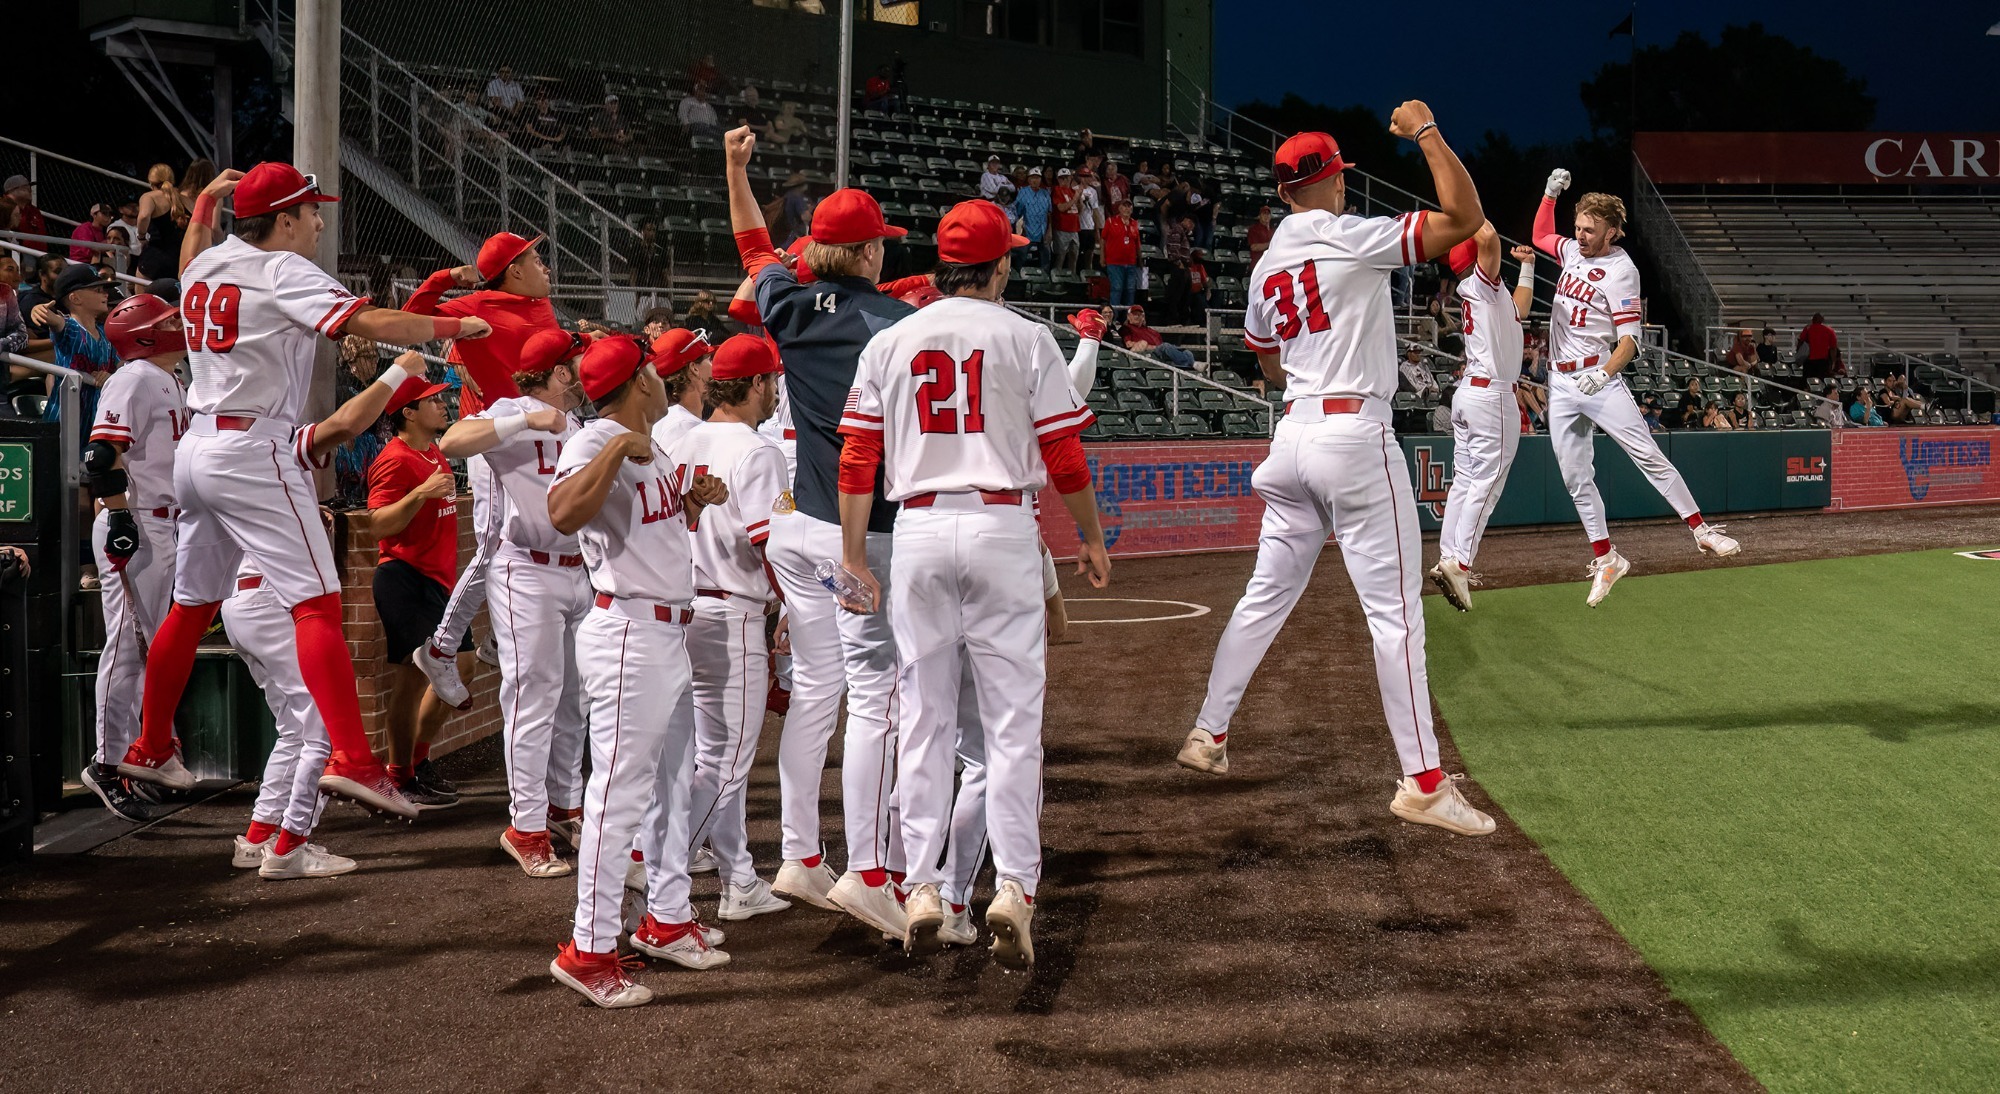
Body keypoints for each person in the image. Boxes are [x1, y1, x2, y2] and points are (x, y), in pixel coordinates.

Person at [123, 161, 491, 818]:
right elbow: (371, 325)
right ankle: (354, 759)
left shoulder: (210, 264)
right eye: (311, 210)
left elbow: (190, 254)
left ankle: (151, 745)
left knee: (189, 607)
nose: (320, 221)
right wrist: (457, 328)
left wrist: (206, 202)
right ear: (285, 218)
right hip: (253, 447)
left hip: (198, 444)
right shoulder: (281, 269)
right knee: (317, 604)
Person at [1176, 108, 1498, 842]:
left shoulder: (1267, 264)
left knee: (1264, 597)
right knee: (1395, 618)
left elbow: (1263, 360)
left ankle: (1208, 731)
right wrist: (1427, 135)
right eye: (1342, 175)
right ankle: (1423, 784)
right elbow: (1467, 217)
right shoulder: (1351, 236)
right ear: (1332, 179)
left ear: (1285, 192)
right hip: (1354, 435)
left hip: (1291, 435)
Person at [835, 199, 1108, 966]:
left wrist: (856, 557)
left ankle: (921, 884)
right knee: (1011, 724)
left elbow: (856, 459)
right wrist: (1087, 534)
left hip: (917, 528)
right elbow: (1063, 457)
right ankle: (1013, 885)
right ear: (999, 266)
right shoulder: (1026, 336)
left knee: (924, 715)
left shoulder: (891, 338)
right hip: (1000, 528)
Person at [721, 124, 916, 926]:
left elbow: (752, 248)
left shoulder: (790, 305)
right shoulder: (895, 325)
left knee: (819, 694)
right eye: (880, 246)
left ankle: (801, 854)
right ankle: (874, 868)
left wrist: (734, 169)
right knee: (880, 694)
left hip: (796, 527)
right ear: (868, 252)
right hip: (859, 533)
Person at [545, 335, 728, 1008]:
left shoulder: (648, 444)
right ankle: (587, 949)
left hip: (664, 633)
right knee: (616, 800)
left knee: (671, 786)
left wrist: (693, 506)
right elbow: (562, 514)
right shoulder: (596, 441)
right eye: (651, 367)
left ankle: (666, 918)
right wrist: (619, 447)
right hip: (629, 632)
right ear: (637, 382)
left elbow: (647, 528)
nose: (662, 374)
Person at [1531, 170, 1739, 606]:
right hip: (1562, 382)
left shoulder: (1622, 271)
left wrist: (1604, 374)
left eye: (1590, 229)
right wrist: (1550, 195)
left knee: (1647, 454)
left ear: (1612, 230)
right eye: (1579, 227)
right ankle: (1607, 559)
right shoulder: (1571, 251)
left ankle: (1701, 531)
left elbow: (1630, 342)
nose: (1581, 235)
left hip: (1597, 378)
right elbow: (1540, 235)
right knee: (1574, 477)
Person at [437, 328, 591, 875]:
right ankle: (525, 826)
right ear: (559, 373)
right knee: (533, 701)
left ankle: (563, 806)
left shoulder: (577, 423)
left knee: (575, 701)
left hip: (578, 572)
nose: (583, 371)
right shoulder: (511, 410)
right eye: (575, 363)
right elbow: (452, 441)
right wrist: (525, 420)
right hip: (524, 569)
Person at [400, 232, 566, 709]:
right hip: (495, 433)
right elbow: (410, 318)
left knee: (538, 532)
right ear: (514, 269)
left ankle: (495, 638)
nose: (546, 267)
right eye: (537, 258)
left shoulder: (539, 303)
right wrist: (445, 279)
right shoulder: (477, 308)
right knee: (495, 543)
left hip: (541, 433)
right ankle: (441, 647)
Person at [664, 334, 794, 921]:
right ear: (757, 384)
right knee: (727, 761)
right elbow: (773, 545)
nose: (774, 391)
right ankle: (656, 879)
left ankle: (738, 877)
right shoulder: (758, 449)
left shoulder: (684, 438)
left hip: (686, 607)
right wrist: (791, 607)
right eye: (771, 381)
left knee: (708, 756)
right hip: (733, 613)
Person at [79, 295, 189, 821]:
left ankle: (143, 756)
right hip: (138, 522)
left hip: (168, 524)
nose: (179, 324)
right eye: (167, 320)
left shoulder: (170, 378)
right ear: (145, 334)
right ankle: (106, 763)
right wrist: (120, 518)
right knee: (126, 648)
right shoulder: (135, 376)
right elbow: (101, 454)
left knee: (154, 651)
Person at [365, 376, 469, 809]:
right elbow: (378, 524)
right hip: (404, 577)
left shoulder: (434, 452)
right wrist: (422, 494)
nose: (443, 404)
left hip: (438, 582)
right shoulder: (395, 458)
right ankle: (400, 774)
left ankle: (418, 761)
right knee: (411, 680)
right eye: (431, 401)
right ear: (407, 412)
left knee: (460, 666)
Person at [31, 265, 118, 442]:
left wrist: (111, 376)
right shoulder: (70, 327)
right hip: (64, 421)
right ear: (75, 298)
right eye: (97, 290)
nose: (105, 294)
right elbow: (56, 322)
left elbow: (121, 364)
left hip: (95, 419)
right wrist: (40, 310)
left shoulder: (106, 334)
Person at [650, 328, 713, 449]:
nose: (713, 366)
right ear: (694, 369)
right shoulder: (683, 426)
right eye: (709, 359)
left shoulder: (665, 420)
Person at [1118, 305, 1196, 370]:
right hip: (1148, 353)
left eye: (1140, 314)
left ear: (1144, 317)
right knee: (1165, 346)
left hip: (1160, 352)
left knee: (1187, 352)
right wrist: (1149, 346)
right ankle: (1192, 364)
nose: (1138, 316)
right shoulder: (1126, 329)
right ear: (1128, 316)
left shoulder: (1152, 331)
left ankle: (1189, 366)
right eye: (1135, 314)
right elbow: (1128, 344)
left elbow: (1160, 344)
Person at [1102, 198, 1140, 313]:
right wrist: (1102, 258)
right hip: (1114, 262)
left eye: (1129, 206)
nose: (1127, 209)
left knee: (1130, 290)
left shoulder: (1134, 223)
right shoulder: (1110, 221)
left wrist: (1140, 259)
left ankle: (1129, 319)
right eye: (1124, 206)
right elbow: (1103, 239)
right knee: (1116, 289)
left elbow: (1137, 243)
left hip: (1131, 263)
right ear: (1119, 208)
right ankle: (1114, 319)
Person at [1011, 169, 1052, 270]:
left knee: (1046, 257)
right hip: (1027, 230)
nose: (1035, 180)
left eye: (1037, 178)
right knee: (1022, 256)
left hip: (1042, 230)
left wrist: (1049, 231)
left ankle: (1044, 277)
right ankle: (1018, 276)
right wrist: (1019, 229)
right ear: (1028, 180)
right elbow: (1017, 212)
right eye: (1033, 178)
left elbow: (1049, 213)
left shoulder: (1045, 193)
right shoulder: (1023, 192)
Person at [1050, 169, 1081, 274]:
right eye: (1062, 178)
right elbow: (1061, 208)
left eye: (1066, 178)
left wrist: (1079, 199)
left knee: (1074, 256)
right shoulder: (1057, 190)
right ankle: (1057, 280)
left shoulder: (1073, 192)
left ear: (1070, 178)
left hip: (1074, 228)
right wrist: (1075, 199)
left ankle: (1072, 279)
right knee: (1061, 256)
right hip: (1061, 228)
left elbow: (1080, 210)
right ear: (1058, 179)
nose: (1064, 180)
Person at [1797, 313, 1840, 380]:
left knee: (1808, 382)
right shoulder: (1830, 330)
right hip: (1823, 362)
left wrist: (1798, 353)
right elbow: (1833, 348)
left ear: (1813, 320)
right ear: (1822, 320)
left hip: (1809, 361)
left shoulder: (1808, 328)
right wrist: (1833, 362)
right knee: (1822, 382)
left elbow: (1800, 342)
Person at [626, 219, 669, 286]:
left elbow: (665, 274)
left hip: (656, 288)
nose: (651, 233)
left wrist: (670, 293)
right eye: (649, 230)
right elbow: (633, 273)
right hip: (640, 288)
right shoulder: (635, 250)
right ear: (642, 231)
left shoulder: (660, 251)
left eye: (653, 230)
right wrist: (633, 292)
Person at [3, 176, 46, 242]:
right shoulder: (4, 209)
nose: (31, 190)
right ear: (14, 190)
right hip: (15, 250)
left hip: (37, 252)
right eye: (26, 188)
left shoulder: (34, 211)